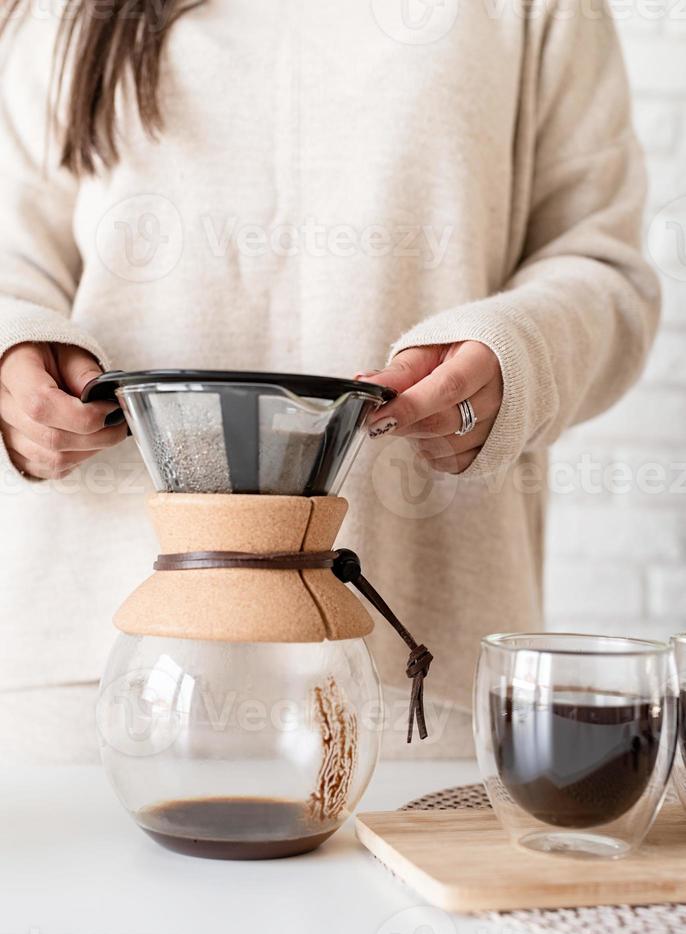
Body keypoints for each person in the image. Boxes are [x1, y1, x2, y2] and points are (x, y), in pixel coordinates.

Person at [0, 0, 659, 762]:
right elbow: (14, 256)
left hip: (405, 677)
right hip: (91, 670)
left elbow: (603, 268)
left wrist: (518, 357)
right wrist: (16, 359)